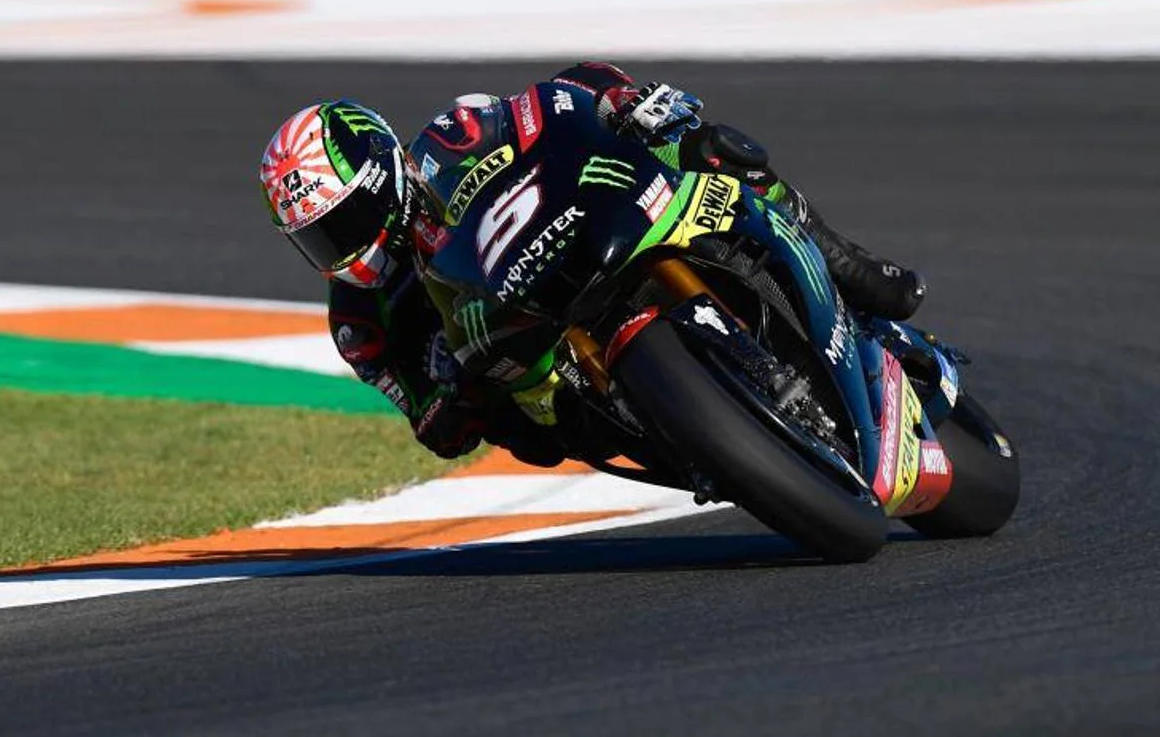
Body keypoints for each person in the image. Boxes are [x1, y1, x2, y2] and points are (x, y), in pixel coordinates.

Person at [257, 63, 925, 462]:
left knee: (707, 148)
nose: (342, 249)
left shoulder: (448, 138)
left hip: (587, 230)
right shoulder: (358, 324)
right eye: (318, 239)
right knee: (534, 440)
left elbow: (555, 97)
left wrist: (621, 102)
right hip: (538, 372)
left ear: (382, 173)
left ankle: (849, 267)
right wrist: (445, 404)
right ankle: (696, 440)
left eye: (344, 221)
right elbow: (428, 424)